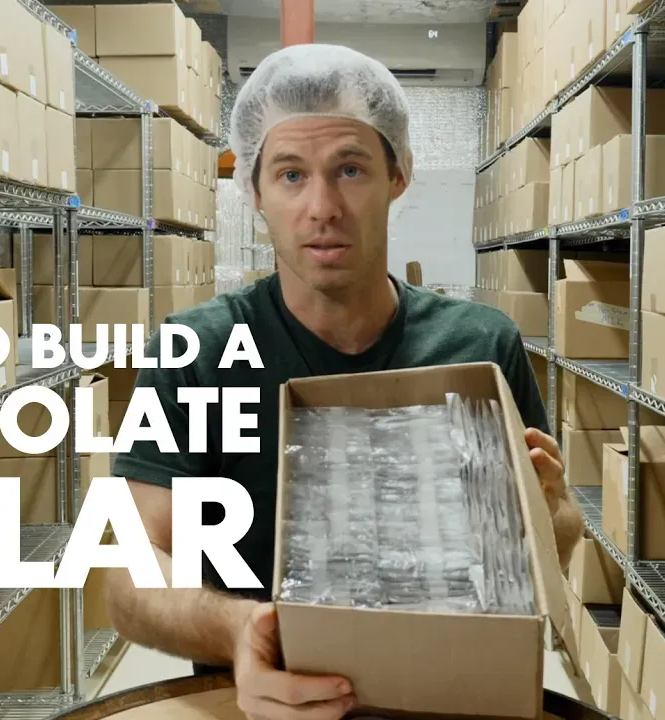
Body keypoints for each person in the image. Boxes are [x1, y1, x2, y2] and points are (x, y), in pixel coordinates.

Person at [106, 42, 585, 720]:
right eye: (291, 175)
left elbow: (550, 545)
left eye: (350, 169)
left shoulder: (480, 346)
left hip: (450, 696)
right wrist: (240, 629)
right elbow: (131, 569)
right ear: (255, 192)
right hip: (262, 704)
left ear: (399, 176)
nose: (323, 206)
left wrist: (555, 512)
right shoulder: (200, 353)